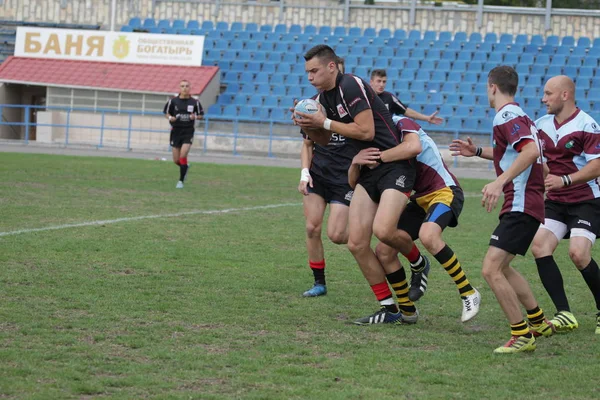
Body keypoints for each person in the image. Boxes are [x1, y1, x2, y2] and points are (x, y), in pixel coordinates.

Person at [295, 44, 421, 325]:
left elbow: (367, 131)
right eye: (307, 72)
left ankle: (418, 262)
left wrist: (323, 121)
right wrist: (310, 125)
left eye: (314, 70)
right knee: (355, 243)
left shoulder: (350, 84)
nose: (310, 77)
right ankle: (390, 308)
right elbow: (326, 140)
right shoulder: (323, 98)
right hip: (367, 170)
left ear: (331, 67)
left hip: (392, 165)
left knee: (383, 232)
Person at [449, 66, 554, 353]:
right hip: (525, 202)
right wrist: (480, 152)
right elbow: (523, 156)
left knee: (491, 269)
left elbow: (531, 152)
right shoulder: (521, 116)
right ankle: (538, 320)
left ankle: (522, 335)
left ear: (492, 86)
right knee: (503, 267)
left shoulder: (506, 114)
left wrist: (500, 181)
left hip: (521, 203)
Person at [349, 115, 481, 322]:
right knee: (384, 250)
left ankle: (468, 292)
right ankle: (407, 312)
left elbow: (413, 147)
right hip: (420, 200)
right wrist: (356, 162)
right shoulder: (376, 139)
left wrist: (380, 157)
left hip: (444, 192)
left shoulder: (400, 122)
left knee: (428, 236)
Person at [529, 75, 600, 335]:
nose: (543, 98)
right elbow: (522, 153)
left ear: (564, 95)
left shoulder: (587, 125)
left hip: (587, 201)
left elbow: (597, 165)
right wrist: (478, 152)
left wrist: (565, 180)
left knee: (579, 254)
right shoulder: (540, 125)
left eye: (548, 93)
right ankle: (564, 313)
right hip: (557, 202)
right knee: (540, 247)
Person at [297, 58, 356, 297]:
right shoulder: (311, 105)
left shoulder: (353, 103)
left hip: (345, 178)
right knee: (312, 227)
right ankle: (319, 283)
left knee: (337, 235)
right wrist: (304, 173)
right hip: (318, 173)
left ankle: (370, 227)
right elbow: (307, 144)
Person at [163, 79, 204, 189]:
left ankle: (180, 181)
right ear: (179, 88)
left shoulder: (195, 102)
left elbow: (201, 115)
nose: (184, 88)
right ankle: (185, 166)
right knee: (176, 160)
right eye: (182, 86)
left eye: (187, 86)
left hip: (188, 131)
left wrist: (195, 117)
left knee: (183, 155)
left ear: (190, 88)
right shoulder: (173, 101)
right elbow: (166, 113)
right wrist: (171, 118)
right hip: (176, 131)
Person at [370, 69, 444, 125]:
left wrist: (427, 118)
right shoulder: (364, 97)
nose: (382, 84)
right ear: (371, 82)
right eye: (379, 81)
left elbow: (406, 111)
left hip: (385, 136)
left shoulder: (389, 98)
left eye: (384, 82)